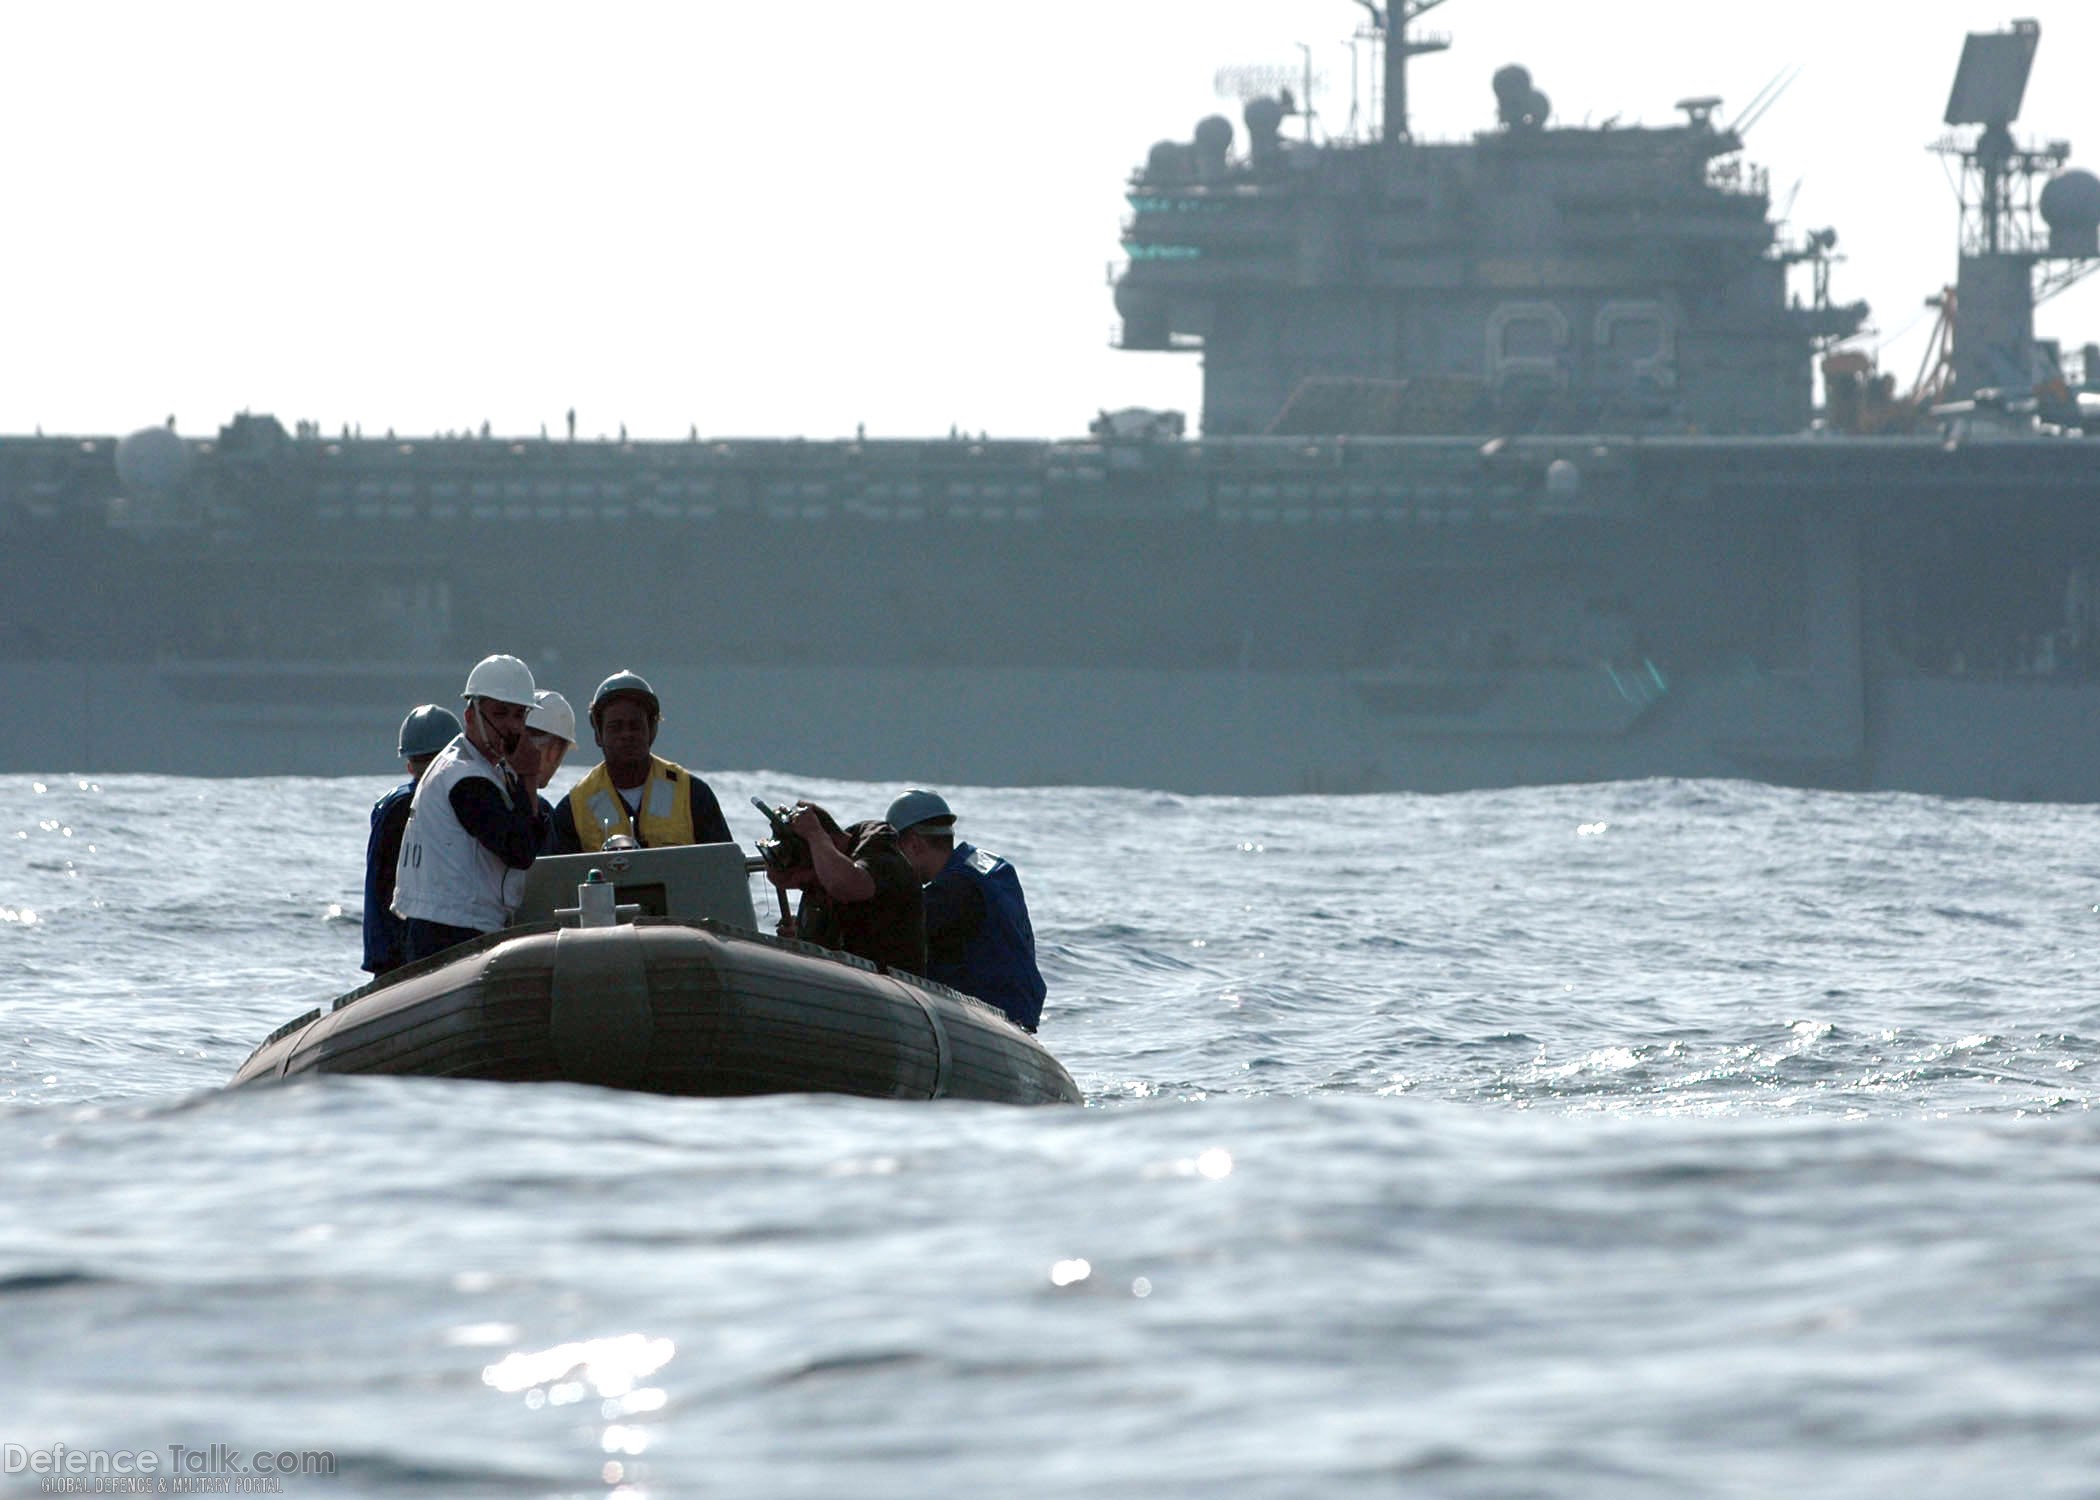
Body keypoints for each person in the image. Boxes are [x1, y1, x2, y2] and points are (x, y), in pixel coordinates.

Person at [391, 654, 551, 963]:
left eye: (519, 715)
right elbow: (521, 851)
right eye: (500, 713)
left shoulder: (484, 769)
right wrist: (530, 775)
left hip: (455, 924)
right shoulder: (465, 778)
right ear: (470, 715)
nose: (510, 726)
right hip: (452, 930)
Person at [887, 788, 1048, 1031]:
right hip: (1020, 1012)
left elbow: (900, 941)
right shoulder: (984, 864)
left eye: (896, 851)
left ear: (914, 844)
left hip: (990, 1019)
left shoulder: (950, 893)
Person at [550, 669, 732, 853]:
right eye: (615, 727)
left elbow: (726, 868)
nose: (626, 735)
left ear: (652, 730)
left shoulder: (693, 795)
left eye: (635, 726)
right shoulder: (574, 809)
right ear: (598, 734)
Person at [768, 802, 926, 976]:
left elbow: (844, 885)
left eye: (809, 883)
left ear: (830, 842)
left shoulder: (881, 854)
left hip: (895, 987)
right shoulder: (822, 881)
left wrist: (814, 835)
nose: (810, 889)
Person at [361, 703, 462, 977]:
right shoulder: (420, 804)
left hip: (385, 952)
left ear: (408, 764)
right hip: (407, 955)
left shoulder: (390, 804)